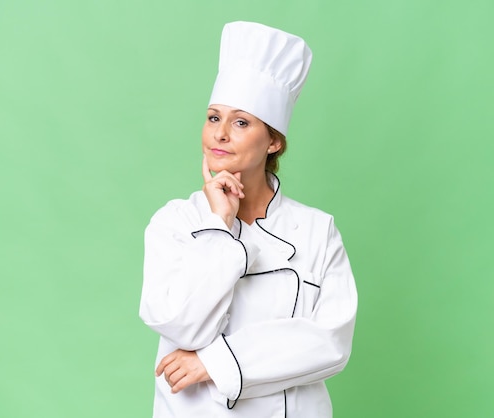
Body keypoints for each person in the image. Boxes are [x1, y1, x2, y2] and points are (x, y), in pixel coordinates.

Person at [139, 21, 358, 417]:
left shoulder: (315, 230)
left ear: (273, 140)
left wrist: (215, 363)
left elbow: (330, 342)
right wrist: (218, 227)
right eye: (212, 117)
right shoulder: (175, 223)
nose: (220, 134)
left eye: (241, 122)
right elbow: (181, 325)